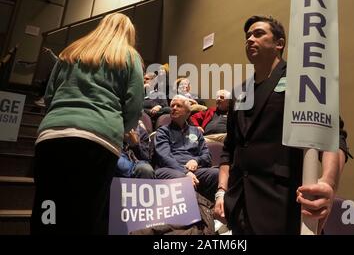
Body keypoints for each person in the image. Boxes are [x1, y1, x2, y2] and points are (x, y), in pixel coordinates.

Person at [214, 15, 349, 235]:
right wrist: (221, 191)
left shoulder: (303, 79)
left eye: (258, 33)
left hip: (282, 206)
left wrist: (329, 182)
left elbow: (333, 136)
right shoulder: (239, 92)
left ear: (279, 43)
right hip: (239, 205)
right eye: (247, 36)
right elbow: (230, 148)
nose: (249, 39)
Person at [31, 13, 144, 234]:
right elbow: (134, 105)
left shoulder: (71, 51)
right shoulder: (130, 57)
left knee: (48, 209)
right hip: (98, 142)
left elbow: (49, 95)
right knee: (84, 216)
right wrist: (118, 130)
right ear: (128, 34)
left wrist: (60, 117)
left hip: (52, 137)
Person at [154, 95, 218, 201]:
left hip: (194, 169)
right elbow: (164, 157)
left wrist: (196, 160)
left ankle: (210, 212)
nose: (174, 108)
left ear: (188, 113)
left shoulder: (196, 131)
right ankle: (197, 215)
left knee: (216, 174)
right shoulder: (163, 131)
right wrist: (185, 172)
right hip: (170, 169)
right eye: (172, 106)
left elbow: (206, 155)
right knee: (184, 180)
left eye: (178, 106)